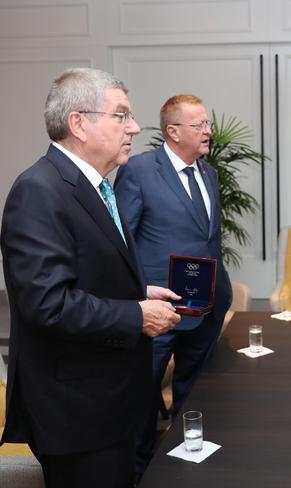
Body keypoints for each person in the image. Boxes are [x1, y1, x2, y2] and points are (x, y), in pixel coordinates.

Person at [0, 68, 181, 488]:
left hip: (106, 403)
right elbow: (48, 305)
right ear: (78, 123)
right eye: (121, 115)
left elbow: (85, 271)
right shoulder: (39, 191)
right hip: (77, 414)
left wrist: (139, 290)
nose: (134, 127)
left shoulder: (95, 185)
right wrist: (137, 315)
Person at [114, 94, 233, 476]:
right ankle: (140, 471)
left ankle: (186, 464)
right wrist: (138, 296)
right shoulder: (138, 170)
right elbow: (121, 242)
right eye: (199, 124)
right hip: (158, 309)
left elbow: (206, 237)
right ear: (173, 131)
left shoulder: (208, 172)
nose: (208, 131)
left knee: (196, 392)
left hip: (206, 306)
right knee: (143, 396)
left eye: (207, 123)